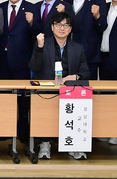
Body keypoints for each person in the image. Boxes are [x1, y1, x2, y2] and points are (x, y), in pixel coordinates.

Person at [29, 11, 90, 160]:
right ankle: (45, 143)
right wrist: (39, 48)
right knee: (44, 106)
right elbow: (34, 67)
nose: (62, 28)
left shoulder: (78, 48)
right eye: (58, 25)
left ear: (70, 29)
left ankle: (74, 144)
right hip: (47, 91)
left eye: (66, 25)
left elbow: (86, 72)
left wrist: (75, 77)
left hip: (69, 91)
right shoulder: (43, 44)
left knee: (79, 101)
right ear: (52, 27)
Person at [0, 0, 36, 140]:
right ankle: (5, 131)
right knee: (4, 98)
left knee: (23, 100)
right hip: (2, 60)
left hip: (23, 61)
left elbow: (39, 33)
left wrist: (32, 23)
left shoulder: (32, 8)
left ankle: (23, 133)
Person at [62, 0, 107, 77]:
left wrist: (97, 16)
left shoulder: (99, 0)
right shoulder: (67, 0)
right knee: (66, 84)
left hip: (89, 54)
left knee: (87, 85)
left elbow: (102, 27)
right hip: (68, 53)